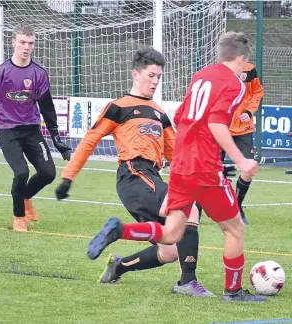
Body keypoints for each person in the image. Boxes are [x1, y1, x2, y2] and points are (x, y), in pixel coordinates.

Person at [86, 32, 268, 302]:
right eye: (245, 65)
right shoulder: (235, 84)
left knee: (172, 233)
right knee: (235, 228)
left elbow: (183, 116)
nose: (244, 70)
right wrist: (241, 161)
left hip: (181, 166)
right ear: (241, 59)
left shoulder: (200, 76)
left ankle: (120, 231)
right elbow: (217, 124)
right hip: (203, 166)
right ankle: (233, 291)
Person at [55, 47, 214, 297]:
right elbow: (90, 140)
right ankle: (187, 283)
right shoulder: (118, 107)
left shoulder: (159, 112)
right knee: (188, 207)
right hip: (134, 174)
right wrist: (67, 177)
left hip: (152, 176)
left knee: (172, 250)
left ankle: (119, 267)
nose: (155, 81)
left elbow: (175, 153)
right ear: (135, 74)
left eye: (158, 77)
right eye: (151, 75)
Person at [0, 24, 71, 232]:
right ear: (14, 43)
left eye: (30, 43)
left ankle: (25, 197)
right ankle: (18, 217)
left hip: (31, 129)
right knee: (21, 173)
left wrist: (56, 139)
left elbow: (47, 108)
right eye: (22, 42)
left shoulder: (39, 74)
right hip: (7, 130)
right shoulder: (1, 72)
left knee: (48, 173)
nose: (26, 47)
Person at [197, 62, 264, 224]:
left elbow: (257, 91)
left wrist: (249, 111)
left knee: (249, 169)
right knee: (208, 170)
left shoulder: (249, 69)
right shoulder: (218, 70)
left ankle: (237, 207)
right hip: (220, 127)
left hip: (243, 129)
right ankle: (197, 210)